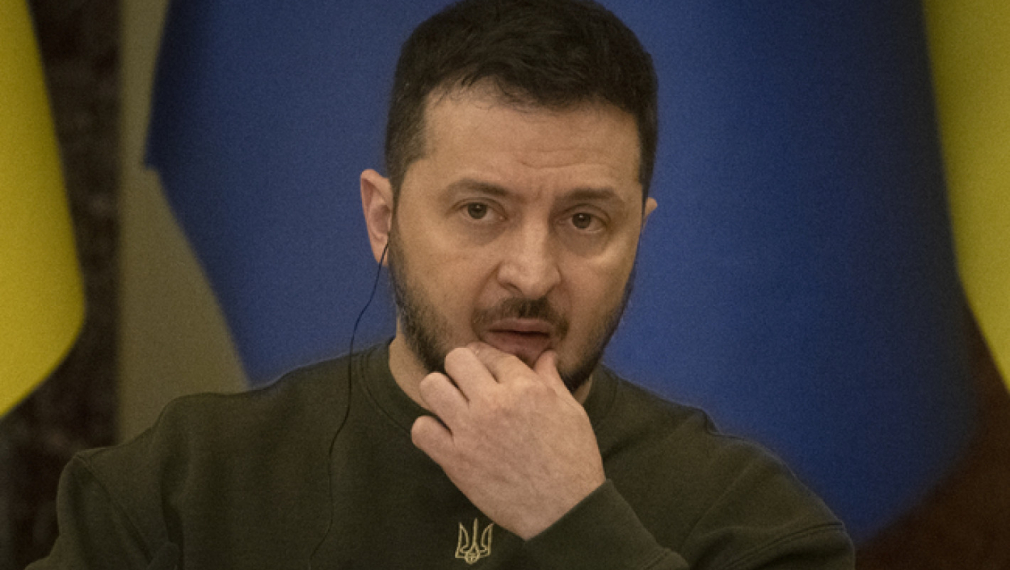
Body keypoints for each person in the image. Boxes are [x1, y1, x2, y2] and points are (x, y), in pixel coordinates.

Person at [30, 0, 854, 568]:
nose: (531, 273)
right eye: (479, 210)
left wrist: (578, 523)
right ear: (383, 219)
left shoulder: (750, 519)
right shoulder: (185, 489)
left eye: (584, 220)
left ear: (639, 230)